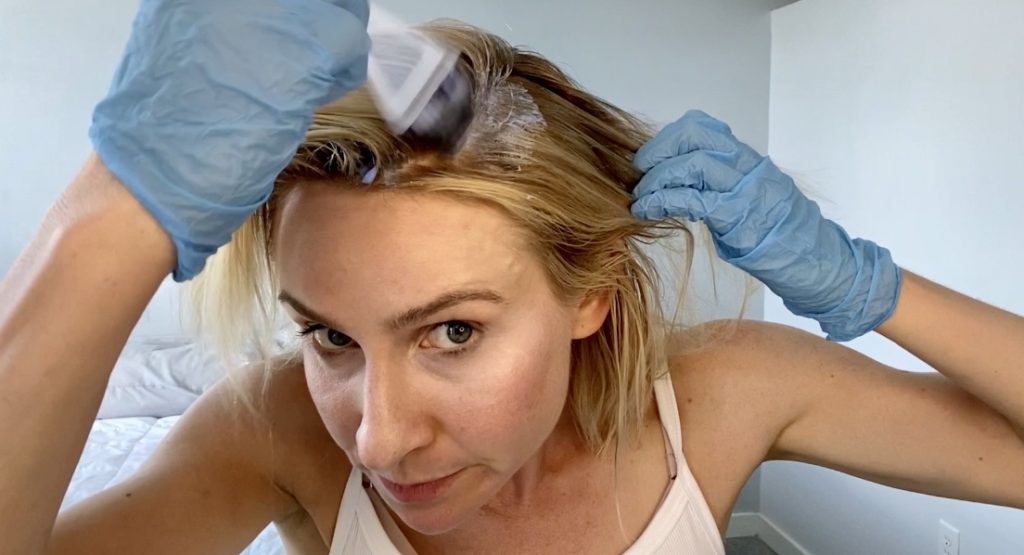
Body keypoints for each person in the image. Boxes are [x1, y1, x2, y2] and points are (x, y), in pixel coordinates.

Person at [1, 1, 1022, 554]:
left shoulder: (722, 392)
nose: (378, 436)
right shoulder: (271, 427)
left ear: (592, 291)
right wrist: (112, 214)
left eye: (452, 331)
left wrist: (869, 288)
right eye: (329, 336)